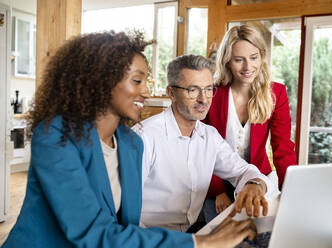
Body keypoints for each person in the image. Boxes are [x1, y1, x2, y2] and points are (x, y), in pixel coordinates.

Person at [1, 32, 256, 248]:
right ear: (102, 81)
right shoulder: (56, 137)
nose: (145, 91)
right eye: (137, 81)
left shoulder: (131, 143)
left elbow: (126, 225)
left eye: (145, 81)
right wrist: (200, 242)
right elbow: (91, 231)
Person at [133, 54, 275, 234]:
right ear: (171, 93)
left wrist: (255, 184)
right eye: (193, 90)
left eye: (208, 89)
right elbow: (124, 209)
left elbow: (243, 171)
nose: (203, 99)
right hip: (147, 237)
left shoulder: (209, 136)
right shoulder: (144, 136)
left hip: (189, 234)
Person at [202, 24, 297, 222]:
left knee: (262, 231)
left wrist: (291, 190)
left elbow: (282, 147)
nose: (248, 67)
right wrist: (218, 190)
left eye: (254, 58)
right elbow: (203, 147)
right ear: (227, 61)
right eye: (239, 60)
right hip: (216, 182)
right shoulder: (213, 93)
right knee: (220, 233)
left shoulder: (276, 93)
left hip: (259, 180)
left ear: (262, 57)